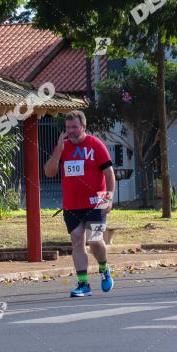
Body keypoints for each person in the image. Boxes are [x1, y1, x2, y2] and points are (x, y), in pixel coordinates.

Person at [44, 110, 115, 297]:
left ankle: (104, 267)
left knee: (95, 240)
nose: (71, 131)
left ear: (83, 126)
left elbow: (109, 173)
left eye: (74, 127)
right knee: (77, 240)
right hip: (72, 204)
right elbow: (49, 172)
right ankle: (83, 284)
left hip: (96, 203)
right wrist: (58, 150)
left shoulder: (96, 145)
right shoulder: (63, 147)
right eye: (68, 128)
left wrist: (109, 196)